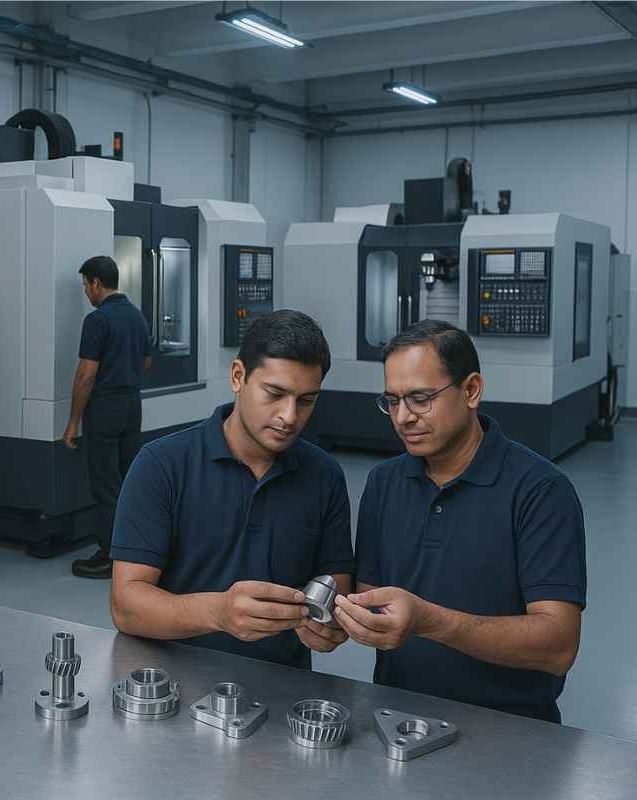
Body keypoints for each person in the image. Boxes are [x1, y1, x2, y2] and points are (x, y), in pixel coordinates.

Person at [335, 320, 585, 723]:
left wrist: (429, 622)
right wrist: (329, 615)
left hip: (511, 728)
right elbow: (371, 599)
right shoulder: (383, 484)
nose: (403, 417)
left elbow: (558, 646)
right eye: (392, 401)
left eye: (420, 399)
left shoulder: (540, 491)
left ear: (471, 390)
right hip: (399, 721)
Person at [108, 310, 353, 667]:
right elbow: (126, 606)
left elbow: (337, 583)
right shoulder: (161, 465)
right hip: (173, 680)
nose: (289, 416)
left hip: (281, 683)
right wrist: (218, 612)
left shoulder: (325, 475)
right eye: (275, 393)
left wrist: (329, 623)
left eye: (305, 401)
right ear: (238, 376)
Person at [64, 256, 151, 579]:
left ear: (97, 283)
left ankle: (109, 557)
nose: (86, 291)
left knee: (105, 484)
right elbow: (147, 363)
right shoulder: (137, 316)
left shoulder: (97, 320)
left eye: (85, 285)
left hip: (105, 408)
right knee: (128, 481)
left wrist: (73, 421)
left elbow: (86, 374)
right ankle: (135, 551)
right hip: (132, 405)